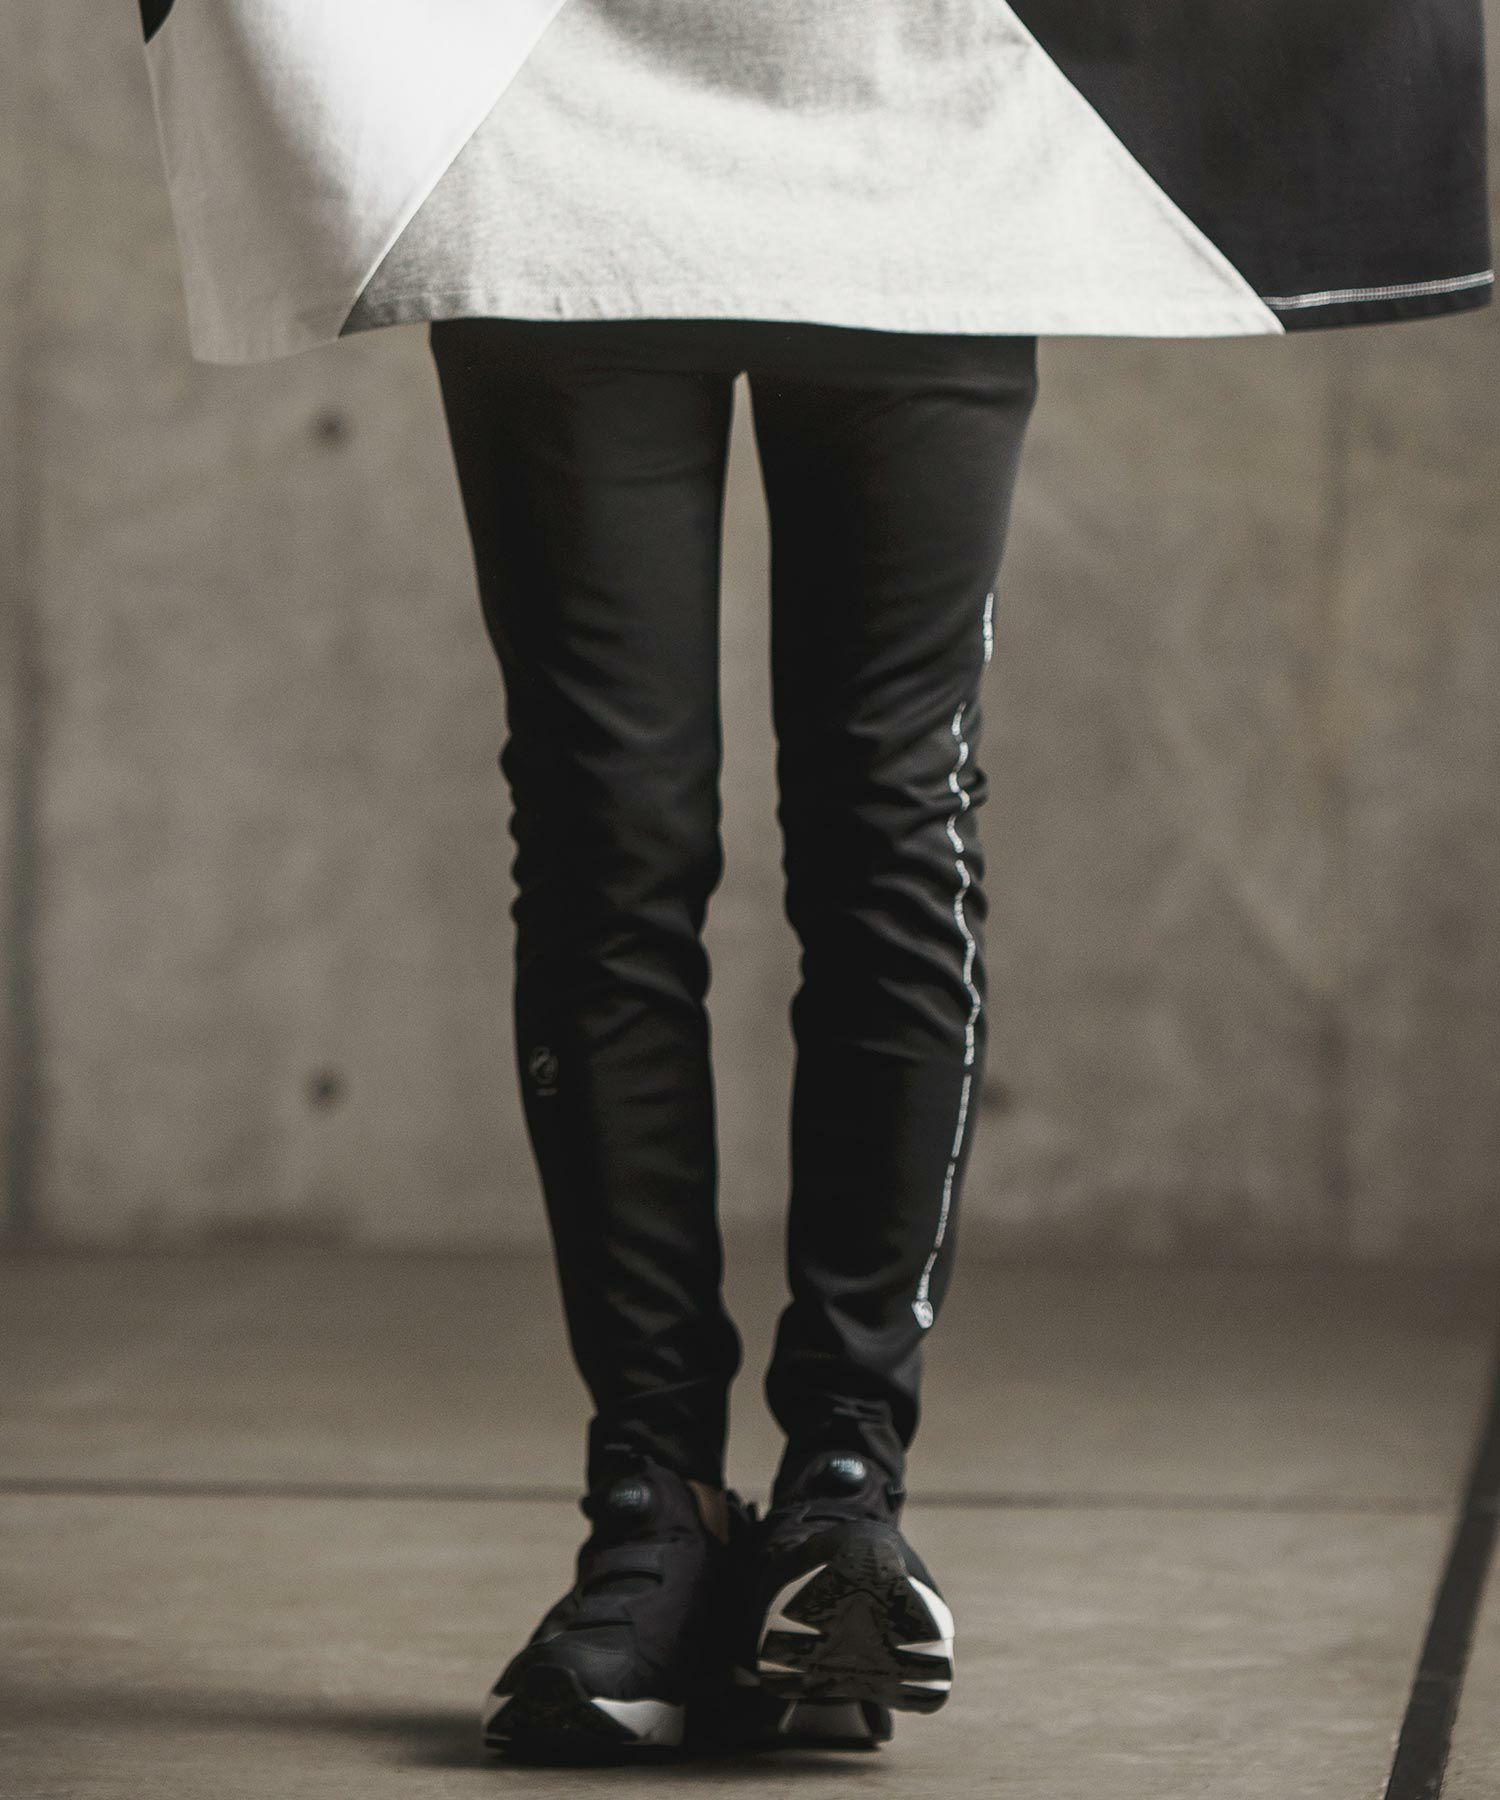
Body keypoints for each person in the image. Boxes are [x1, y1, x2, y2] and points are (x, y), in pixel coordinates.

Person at [136, 0, 1491, 1762]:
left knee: (889, 822)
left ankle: (847, 1490)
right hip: (544, 98)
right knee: (610, 830)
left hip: (922, 88)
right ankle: (654, 1511)